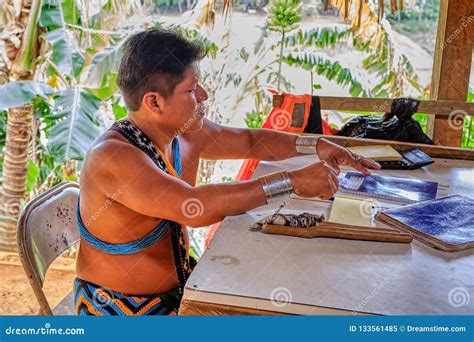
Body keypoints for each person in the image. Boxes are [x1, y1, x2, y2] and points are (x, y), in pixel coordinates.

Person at [73, 28, 380, 315]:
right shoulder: (114, 157)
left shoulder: (182, 135)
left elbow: (250, 141)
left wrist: (318, 145)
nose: (204, 95)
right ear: (154, 102)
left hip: (181, 289)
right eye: (192, 89)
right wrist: (293, 182)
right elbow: (196, 208)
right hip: (119, 308)